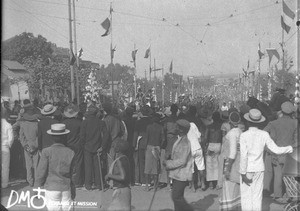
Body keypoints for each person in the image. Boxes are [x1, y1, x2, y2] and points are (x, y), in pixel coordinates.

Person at [239, 109, 293, 211]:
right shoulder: (264, 134)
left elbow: (243, 156)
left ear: (247, 121)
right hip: (259, 168)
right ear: (260, 122)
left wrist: (242, 173)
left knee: (246, 197)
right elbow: (276, 150)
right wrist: (289, 148)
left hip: (247, 169)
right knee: (257, 196)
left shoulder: (244, 135)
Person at [36, 123, 76, 211]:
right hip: (66, 187)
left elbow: (41, 171)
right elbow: (73, 174)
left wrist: (38, 185)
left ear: (52, 137)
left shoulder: (46, 152)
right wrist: (73, 189)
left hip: (51, 187)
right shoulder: (70, 152)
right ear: (65, 136)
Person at [263, 101, 297, 202]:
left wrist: (270, 145)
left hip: (276, 153)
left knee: (278, 173)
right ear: (292, 113)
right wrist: (292, 146)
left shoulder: (273, 123)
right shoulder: (295, 123)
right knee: (290, 175)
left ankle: (277, 195)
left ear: (281, 111)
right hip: (290, 153)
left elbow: (263, 133)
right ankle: (290, 194)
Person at [164, 119, 194, 211]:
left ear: (181, 129)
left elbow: (182, 161)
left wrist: (168, 163)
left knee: (176, 197)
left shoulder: (185, 142)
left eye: (177, 126)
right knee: (178, 198)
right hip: (178, 173)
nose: (175, 128)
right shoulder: (179, 139)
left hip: (182, 174)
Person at [80, 105, 108, 191]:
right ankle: (99, 184)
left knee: (88, 166)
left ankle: (88, 185)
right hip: (98, 146)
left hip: (87, 146)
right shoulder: (101, 122)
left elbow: (82, 136)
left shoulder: (85, 122)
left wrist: (83, 145)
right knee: (97, 166)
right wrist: (102, 147)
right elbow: (106, 135)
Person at [219, 112, 243, 210]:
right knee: (237, 190)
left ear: (230, 121)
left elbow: (232, 153)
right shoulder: (240, 132)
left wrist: (227, 169)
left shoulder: (232, 133)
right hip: (239, 162)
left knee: (229, 189)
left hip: (231, 163)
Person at [105, 138, 131, 211]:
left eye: (114, 146)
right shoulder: (125, 158)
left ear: (118, 149)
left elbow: (122, 177)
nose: (113, 148)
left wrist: (109, 176)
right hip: (125, 190)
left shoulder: (119, 161)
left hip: (120, 191)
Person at [62, 104, 84, 188]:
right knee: (78, 163)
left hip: (67, 145)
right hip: (77, 145)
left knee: (67, 163)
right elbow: (82, 135)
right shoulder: (79, 122)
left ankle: (68, 180)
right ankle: (78, 182)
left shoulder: (63, 123)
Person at [19, 103, 40, 187]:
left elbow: (21, 137)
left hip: (26, 147)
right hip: (35, 146)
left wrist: (25, 146)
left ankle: (30, 180)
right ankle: (37, 181)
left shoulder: (23, 124)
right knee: (36, 165)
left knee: (28, 165)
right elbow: (39, 137)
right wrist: (35, 146)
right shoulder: (37, 125)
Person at [132, 105, 153, 185]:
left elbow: (135, 133)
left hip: (141, 143)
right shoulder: (151, 121)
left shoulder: (138, 122)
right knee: (149, 162)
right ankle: (150, 180)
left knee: (141, 162)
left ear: (141, 113)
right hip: (150, 144)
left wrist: (134, 144)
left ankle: (143, 180)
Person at [144, 112, 165, 191]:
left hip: (149, 146)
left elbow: (146, 138)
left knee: (147, 167)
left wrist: (146, 148)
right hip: (157, 147)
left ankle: (147, 186)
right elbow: (163, 139)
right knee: (156, 168)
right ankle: (155, 186)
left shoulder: (149, 127)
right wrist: (159, 145)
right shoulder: (161, 127)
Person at [205, 111, 222, 189]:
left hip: (211, 145)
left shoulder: (209, 126)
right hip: (218, 145)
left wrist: (205, 146)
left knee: (210, 164)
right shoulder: (221, 127)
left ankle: (211, 183)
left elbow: (205, 138)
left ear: (213, 118)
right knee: (217, 164)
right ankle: (217, 183)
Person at [1, 109, 14, 188]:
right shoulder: (8, 125)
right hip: (4, 146)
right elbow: (11, 138)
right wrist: (8, 145)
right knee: (5, 166)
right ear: (6, 115)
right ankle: (4, 184)